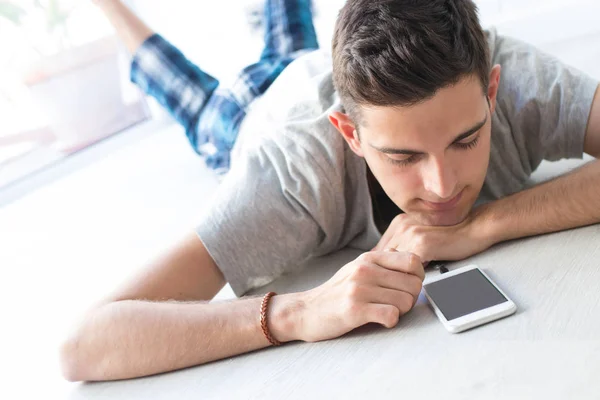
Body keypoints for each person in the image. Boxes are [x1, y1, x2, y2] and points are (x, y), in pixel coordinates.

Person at [60, 0, 600, 382]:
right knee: (191, 97)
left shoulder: (518, 77)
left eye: (467, 139)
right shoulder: (292, 175)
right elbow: (85, 344)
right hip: (248, 114)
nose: (442, 187)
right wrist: (298, 312)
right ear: (351, 133)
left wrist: (486, 223)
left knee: (287, 28)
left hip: (318, 69)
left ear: (493, 90)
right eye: (403, 156)